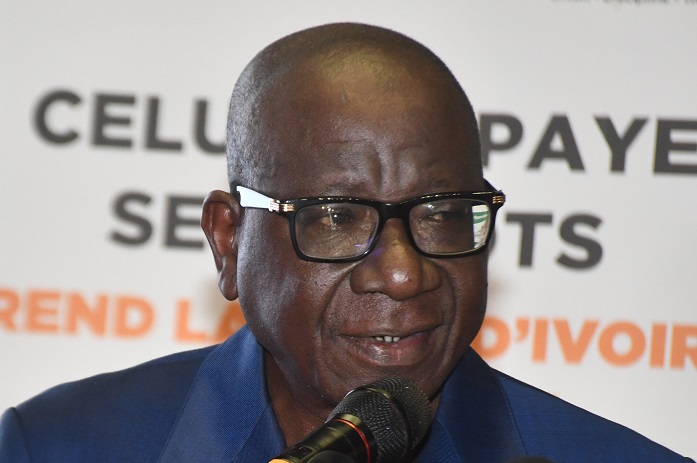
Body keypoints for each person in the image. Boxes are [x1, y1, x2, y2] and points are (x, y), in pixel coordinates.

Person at [0, 23, 692, 463]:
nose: (403, 275)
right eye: (335, 217)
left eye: (441, 213)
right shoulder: (60, 445)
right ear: (229, 240)